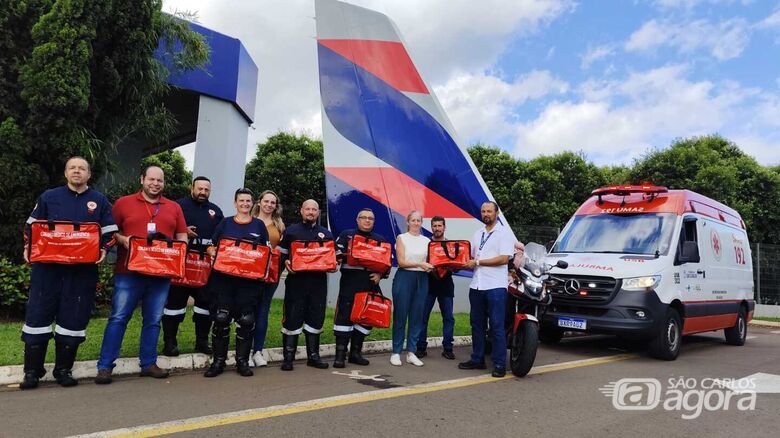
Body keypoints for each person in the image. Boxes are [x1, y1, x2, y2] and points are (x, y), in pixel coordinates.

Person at [19, 157, 117, 389]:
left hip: (81, 272)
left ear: (88, 174)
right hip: (47, 270)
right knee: (37, 318)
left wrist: (104, 249)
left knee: (73, 319)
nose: (77, 171)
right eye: (72, 168)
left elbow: (110, 232)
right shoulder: (48, 197)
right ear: (65, 173)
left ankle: (63, 370)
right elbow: (30, 227)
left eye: (81, 168)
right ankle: (32, 372)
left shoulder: (99, 201)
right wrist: (27, 247)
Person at [95, 165, 188, 384]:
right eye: (151, 179)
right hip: (129, 272)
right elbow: (110, 230)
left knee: (154, 320)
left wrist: (179, 248)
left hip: (161, 274)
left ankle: (148, 363)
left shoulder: (174, 207)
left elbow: (182, 235)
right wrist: (123, 240)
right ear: (142, 179)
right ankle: (105, 366)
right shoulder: (123, 203)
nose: (155, 184)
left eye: (160, 181)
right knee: (119, 318)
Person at [203, 188, 269, 377]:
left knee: (246, 320)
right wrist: (212, 252)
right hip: (224, 280)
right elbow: (210, 246)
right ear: (235, 203)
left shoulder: (258, 226)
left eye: (248, 201)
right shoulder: (225, 223)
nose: (245, 204)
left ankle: (242, 362)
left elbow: (265, 252)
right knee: (221, 318)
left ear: (253, 203)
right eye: (241, 201)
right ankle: (218, 362)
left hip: (249, 283)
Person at [162, 176, 224, 357]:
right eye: (200, 189)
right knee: (174, 305)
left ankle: (202, 342)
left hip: (204, 267)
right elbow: (164, 231)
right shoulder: (177, 206)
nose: (203, 192)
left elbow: (220, 238)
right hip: (181, 265)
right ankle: (170, 343)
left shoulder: (215, 211)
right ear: (192, 188)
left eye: (206, 190)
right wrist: (181, 232)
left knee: (205, 306)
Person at [458, 201, 515, 378]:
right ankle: (477, 359)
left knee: (497, 326)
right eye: (483, 211)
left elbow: (504, 258)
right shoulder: (478, 233)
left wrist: (477, 262)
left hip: (495, 286)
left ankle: (499, 364)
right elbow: (472, 257)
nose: (486, 214)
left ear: (496, 213)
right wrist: (457, 262)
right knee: (476, 325)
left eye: (489, 211)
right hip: (477, 285)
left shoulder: (504, 233)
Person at [276, 199, 333, 371]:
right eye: (307, 209)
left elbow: (334, 259)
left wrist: (333, 264)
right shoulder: (291, 231)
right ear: (301, 211)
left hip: (318, 284)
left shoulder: (326, 234)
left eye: (314, 209)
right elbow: (280, 255)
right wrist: (285, 262)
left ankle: (313, 357)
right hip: (296, 283)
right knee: (292, 317)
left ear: (318, 212)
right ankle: (288, 358)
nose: (310, 212)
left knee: (316, 317)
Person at [333, 208, 389, 368]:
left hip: (369, 285)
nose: (367, 220)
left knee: (365, 318)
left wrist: (380, 274)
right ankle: (340, 355)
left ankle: (355, 354)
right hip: (349, 284)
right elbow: (337, 254)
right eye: (363, 218)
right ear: (357, 220)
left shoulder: (380, 240)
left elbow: (387, 263)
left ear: (374, 221)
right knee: (344, 317)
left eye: (370, 218)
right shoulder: (346, 235)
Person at [390, 211, 433, 367]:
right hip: (404, 277)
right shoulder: (402, 238)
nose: (416, 223)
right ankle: (396, 352)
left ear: (421, 223)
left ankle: (411, 352)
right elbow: (401, 262)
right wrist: (420, 264)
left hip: (422, 279)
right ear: (408, 222)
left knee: (417, 316)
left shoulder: (427, 240)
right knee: (400, 315)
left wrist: (430, 267)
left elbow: (432, 260)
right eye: (413, 220)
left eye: (418, 220)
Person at [249, 190, 285, 367]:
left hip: (270, 275)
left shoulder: (279, 226)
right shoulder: (249, 220)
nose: (269, 205)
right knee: (247, 312)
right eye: (266, 201)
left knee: (262, 312)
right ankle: (245, 351)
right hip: (249, 273)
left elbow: (283, 252)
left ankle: (258, 351)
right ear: (259, 202)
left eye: (273, 202)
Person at [416, 216, 456, 360]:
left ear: (444, 227)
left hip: (446, 285)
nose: (437, 228)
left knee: (448, 318)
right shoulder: (426, 244)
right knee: (422, 317)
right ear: (431, 228)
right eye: (434, 226)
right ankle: (420, 348)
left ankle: (448, 348)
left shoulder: (452, 245)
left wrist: (452, 266)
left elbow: (457, 268)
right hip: (428, 284)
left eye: (440, 226)